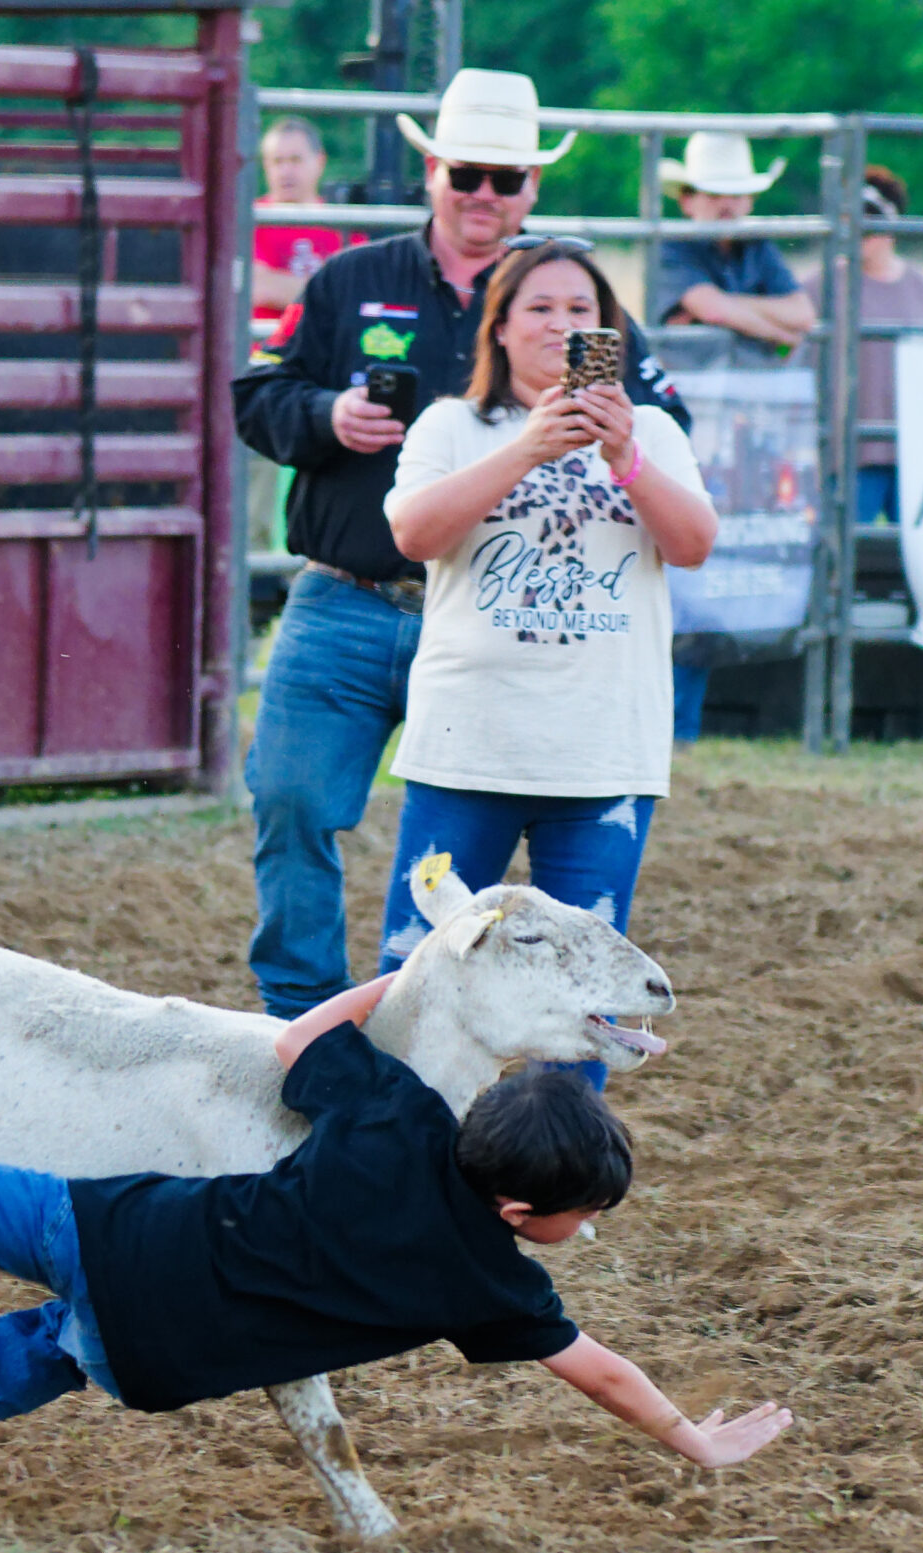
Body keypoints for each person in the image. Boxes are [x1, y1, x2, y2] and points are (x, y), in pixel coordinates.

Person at [0, 974, 795, 1482]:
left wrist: (414, 975)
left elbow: (299, 1038)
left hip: (116, 1235)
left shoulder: (400, 1115)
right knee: (58, 1347)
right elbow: (601, 1369)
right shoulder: (498, 1286)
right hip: (161, 1357)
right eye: (587, 1213)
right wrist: (691, 1437)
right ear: (520, 1215)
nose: (587, 1226)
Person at [231, 68, 689, 1023]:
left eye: (506, 177)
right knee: (291, 802)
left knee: (455, 835)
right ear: (432, 170)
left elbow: (662, 427)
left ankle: (448, 1029)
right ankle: (304, 1016)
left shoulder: (577, 302)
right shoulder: (349, 279)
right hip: (355, 591)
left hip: (512, 619)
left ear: (531, 189)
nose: (485, 194)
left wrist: (617, 436)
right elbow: (257, 393)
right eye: (468, 172)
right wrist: (325, 414)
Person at [378, 240, 717, 1089]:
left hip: (601, 752)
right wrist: (528, 448)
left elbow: (694, 544)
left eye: (582, 313)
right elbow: (414, 535)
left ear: (611, 335)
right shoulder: (452, 426)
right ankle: (396, 1161)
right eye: (540, 309)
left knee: (592, 997)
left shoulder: (657, 433)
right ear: (498, 329)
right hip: (468, 746)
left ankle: (555, 1183)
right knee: (426, 964)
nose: (562, 326)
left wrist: (625, 457)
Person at [797, 167, 923, 527]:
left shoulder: (918, 285)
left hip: (909, 449)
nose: (861, 228)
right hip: (848, 453)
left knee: (911, 555)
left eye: (872, 216)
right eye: (851, 216)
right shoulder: (822, 284)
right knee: (845, 555)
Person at [652, 132, 817, 357]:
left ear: (750, 201)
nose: (727, 204)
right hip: (691, 383)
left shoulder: (758, 245)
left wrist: (726, 306)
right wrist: (782, 335)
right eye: (713, 194)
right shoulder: (672, 246)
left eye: (737, 194)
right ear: (687, 201)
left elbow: (802, 314)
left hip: (754, 382)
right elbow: (713, 310)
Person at [252, 116, 349, 315]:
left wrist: (281, 285)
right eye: (277, 161)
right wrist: (332, 293)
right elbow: (257, 287)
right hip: (267, 344)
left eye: (295, 160)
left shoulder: (344, 222)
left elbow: (357, 293)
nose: (286, 171)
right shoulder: (249, 218)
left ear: (320, 161)